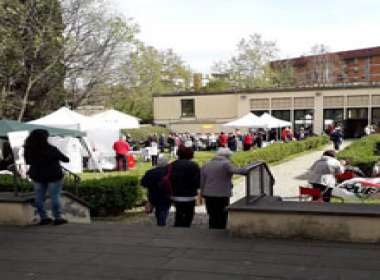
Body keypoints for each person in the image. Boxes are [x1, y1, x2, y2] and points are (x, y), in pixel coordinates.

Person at [24, 129, 69, 225]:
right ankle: (58, 218)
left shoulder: (28, 149)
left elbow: (28, 161)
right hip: (54, 175)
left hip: (37, 176)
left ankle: (44, 218)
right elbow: (66, 159)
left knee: (39, 197)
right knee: (55, 197)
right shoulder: (52, 149)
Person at [201, 148, 245, 229]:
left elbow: (202, 180)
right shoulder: (226, 164)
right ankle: (220, 231)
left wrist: (202, 192)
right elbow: (240, 171)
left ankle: (212, 229)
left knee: (212, 214)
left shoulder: (207, 164)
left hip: (208, 193)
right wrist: (248, 167)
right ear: (228, 156)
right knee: (222, 214)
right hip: (222, 193)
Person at [170, 145, 200, 227]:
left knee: (179, 212)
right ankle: (185, 227)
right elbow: (198, 180)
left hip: (176, 193)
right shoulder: (194, 165)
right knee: (189, 214)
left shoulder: (172, 165)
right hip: (189, 194)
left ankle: (178, 226)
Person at [141, 155, 171, 226]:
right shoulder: (168, 172)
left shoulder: (150, 172)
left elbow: (143, 183)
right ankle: (161, 224)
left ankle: (160, 222)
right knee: (163, 210)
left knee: (158, 210)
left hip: (153, 194)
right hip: (165, 195)